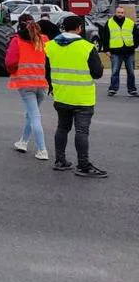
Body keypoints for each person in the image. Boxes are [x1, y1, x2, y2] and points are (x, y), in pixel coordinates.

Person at [45, 15, 106, 178]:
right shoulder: (86, 47)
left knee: (62, 127)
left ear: (64, 27)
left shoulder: (50, 46)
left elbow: (47, 71)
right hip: (82, 97)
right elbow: (98, 73)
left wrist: (52, 87)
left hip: (61, 95)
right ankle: (83, 165)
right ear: (79, 28)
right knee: (82, 131)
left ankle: (60, 160)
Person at [5, 14, 48, 160]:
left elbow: (10, 63)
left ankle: (42, 150)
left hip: (25, 83)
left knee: (34, 116)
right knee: (31, 114)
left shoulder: (16, 41)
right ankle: (23, 141)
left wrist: (14, 71)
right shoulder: (44, 40)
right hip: (42, 84)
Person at [102, 5, 137, 97]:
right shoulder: (109, 23)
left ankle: (132, 89)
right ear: (115, 13)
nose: (120, 14)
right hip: (115, 52)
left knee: (131, 72)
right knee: (115, 72)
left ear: (124, 13)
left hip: (129, 52)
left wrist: (135, 46)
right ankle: (113, 89)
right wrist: (106, 50)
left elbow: (136, 35)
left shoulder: (130, 22)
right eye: (118, 12)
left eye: (122, 13)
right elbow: (105, 37)